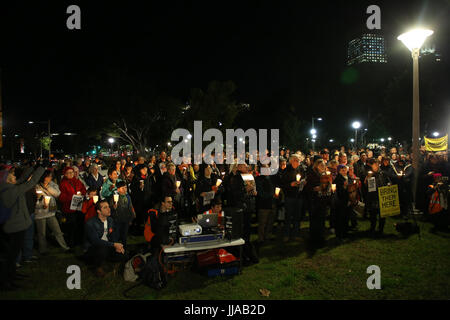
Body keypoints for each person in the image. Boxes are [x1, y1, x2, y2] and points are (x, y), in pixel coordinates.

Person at [0, 165, 45, 291]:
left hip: (15, 225)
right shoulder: (10, 191)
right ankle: (6, 281)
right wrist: (41, 169)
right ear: (8, 179)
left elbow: (23, 178)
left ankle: (12, 274)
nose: (15, 176)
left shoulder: (10, 187)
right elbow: (30, 182)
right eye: (12, 175)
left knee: (13, 253)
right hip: (14, 227)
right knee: (11, 255)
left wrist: (33, 166)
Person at [83, 200, 126, 278]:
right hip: (93, 249)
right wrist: (114, 245)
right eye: (105, 207)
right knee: (102, 249)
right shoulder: (90, 223)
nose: (109, 209)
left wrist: (117, 246)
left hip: (106, 246)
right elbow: (95, 241)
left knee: (122, 253)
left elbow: (113, 237)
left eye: (108, 207)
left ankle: (110, 264)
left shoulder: (110, 220)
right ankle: (97, 267)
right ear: (99, 211)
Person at [35, 170, 70, 254]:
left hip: (51, 211)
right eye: (49, 176)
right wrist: (41, 204)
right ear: (44, 177)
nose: (50, 178)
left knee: (57, 230)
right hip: (40, 213)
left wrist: (48, 187)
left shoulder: (52, 184)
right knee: (41, 233)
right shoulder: (37, 186)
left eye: (51, 176)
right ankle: (43, 250)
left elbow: (57, 194)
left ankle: (64, 247)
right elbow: (35, 200)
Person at [58, 166, 87, 248]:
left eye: (72, 172)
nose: (71, 174)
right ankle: (71, 244)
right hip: (69, 209)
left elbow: (83, 189)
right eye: (69, 173)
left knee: (80, 224)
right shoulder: (63, 184)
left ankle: (79, 241)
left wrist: (82, 193)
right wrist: (73, 197)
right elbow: (61, 197)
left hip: (79, 207)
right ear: (65, 174)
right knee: (71, 227)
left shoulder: (77, 181)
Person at [305, 159, 331, 248]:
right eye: (321, 165)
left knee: (322, 219)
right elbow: (308, 186)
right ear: (316, 166)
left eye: (324, 165)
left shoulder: (326, 174)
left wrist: (328, 186)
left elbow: (328, 185)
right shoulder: (312, 174)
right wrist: (314, 189)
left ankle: (321, 237)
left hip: (323, 200)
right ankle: (313, 238)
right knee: (314, 220)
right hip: (314, 200)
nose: (323, 167)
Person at [280, 154, 306, 242]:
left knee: (297, 216)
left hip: (299, 196)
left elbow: (304, 178)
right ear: (291, 161)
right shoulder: (286, 170)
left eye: (298, 160)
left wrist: (303, 182)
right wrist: (290, 184)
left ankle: (296, 234)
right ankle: (286, 234)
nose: (298, 162)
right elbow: (282, 184)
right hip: (289, 196)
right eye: (296, 160)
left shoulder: (301, 169)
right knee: (288, 216)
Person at [364, 158, 391, 236]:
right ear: (372, 166)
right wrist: (367, 179)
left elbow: (388, 181)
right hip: (373, 197)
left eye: (377, 164)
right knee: (373, 214)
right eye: (374, 165)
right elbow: (366, 185)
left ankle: (381, 229)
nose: (375, 166)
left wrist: (389, 184)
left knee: (382, 214)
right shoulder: (369, 174)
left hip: (382, 196)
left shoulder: (383, 173)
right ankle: (372, 228)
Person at [109, 181, 135, 248]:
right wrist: (113, 207)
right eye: (122, 188)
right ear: (118, 189)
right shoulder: (114, 197)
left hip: (126, 219)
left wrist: (131, 217)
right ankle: (117, 248)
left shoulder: (128, 197)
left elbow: (130, 207)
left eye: (125, 187)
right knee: (116, 235)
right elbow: (110, 208)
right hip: (117, 220)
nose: (124, 189)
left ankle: (124, 247)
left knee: (124, 235)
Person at [255, 164, 276, 245]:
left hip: (271, 203)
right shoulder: (259, 179)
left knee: (270, 221)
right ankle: (261, 239)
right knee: (262, 222)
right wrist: (271, 195)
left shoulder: (271, 179)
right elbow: (261, 192)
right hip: (263, 204)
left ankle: (267, 236)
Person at [130, 164, 153, 235]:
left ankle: (146, 229)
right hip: (139, 201)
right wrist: (139, 187)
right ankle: (137, 230)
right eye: (143, 169)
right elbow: (132, 189)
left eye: (146, 169)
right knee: (139, 216)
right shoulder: (136, 178)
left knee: (146, 216)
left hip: (147, 200)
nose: (145, 170)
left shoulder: (149, 177)